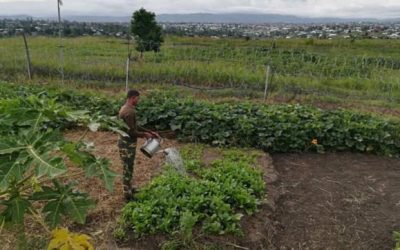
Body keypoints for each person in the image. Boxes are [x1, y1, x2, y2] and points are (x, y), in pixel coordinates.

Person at [118, 89, 159, 200]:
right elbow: (131, 132)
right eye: (138, 99)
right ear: (133, 98)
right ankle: (127, 194)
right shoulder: (129, 112)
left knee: (129, 166)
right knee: (127, 167)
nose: (138, 101)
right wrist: (144, 135)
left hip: (127, 143)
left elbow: (134, 127)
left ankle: (129, 187)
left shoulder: (126, 108)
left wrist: (149, 131)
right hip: (127, 144)